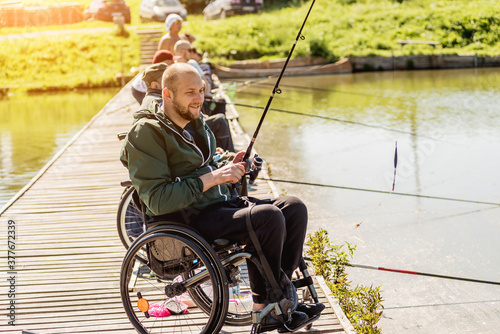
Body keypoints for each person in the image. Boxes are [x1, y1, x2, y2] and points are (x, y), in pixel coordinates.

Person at [120, 63, 324, 331]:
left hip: (218, 205)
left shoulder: (195, 121)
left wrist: (231, 162)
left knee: (294, 207)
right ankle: (265, 307)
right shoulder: (145, 134)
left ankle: (283, 296)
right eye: (190, 92)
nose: (198, 98)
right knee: (267, 218)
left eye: (201, 90)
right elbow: (158, 199)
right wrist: (215, 177)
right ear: (167, 95)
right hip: (185, 219)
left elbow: (208, 160)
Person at [139, 62, 235, 152]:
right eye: (166, 79)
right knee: (220, 121)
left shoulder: (151, 98)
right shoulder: (156, 102)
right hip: (182, 140)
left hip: (183, 139)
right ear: (155, 85)